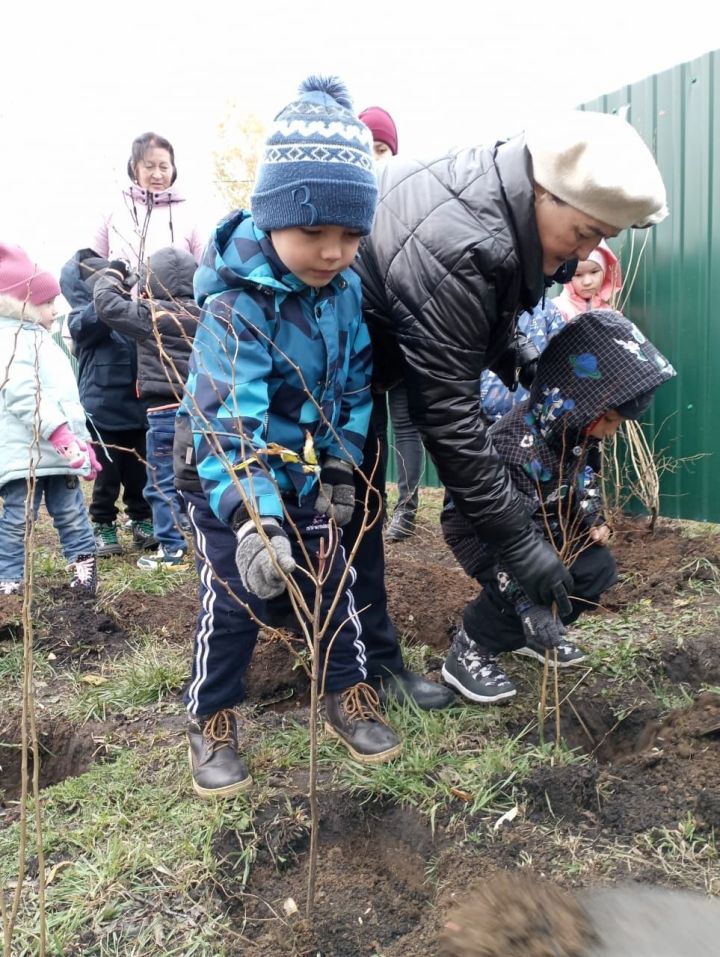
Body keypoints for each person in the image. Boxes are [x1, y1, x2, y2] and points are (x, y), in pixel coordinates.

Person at [350, 109, 668, 693]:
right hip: (330, 377)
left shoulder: (504, 204)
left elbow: (485, 318)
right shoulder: (464, 243)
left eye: (602, 240)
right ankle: (365, 668)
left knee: (356, 512)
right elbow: (449, 418)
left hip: (367, 362)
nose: (583, 255)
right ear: (547, 192)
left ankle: (372, 661)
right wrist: (520, 543)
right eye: (585, 232)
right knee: (353, 512)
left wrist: (521, 360)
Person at [174, 75, 403, 799]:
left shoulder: (343, 298)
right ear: (272, 217)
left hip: (298, 465)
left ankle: (348, 690)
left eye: (350, 235)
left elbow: (351, 386)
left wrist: (339, 465)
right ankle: (210, 717)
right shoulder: (236, 306)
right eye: (314, 232)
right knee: (240, 592)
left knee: (334, 572)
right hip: (223, 472)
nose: (334, 251)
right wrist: (255, 520)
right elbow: (228, 420)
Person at [440, 310, 675, 702]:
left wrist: (593, 520)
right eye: (612, 419)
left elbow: (585, 479)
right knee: (534, 578)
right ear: (579, 402)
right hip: (484, 531)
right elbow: (506, 540)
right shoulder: (514, 449)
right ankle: (471, 648)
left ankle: (532, 637)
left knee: (595, 569)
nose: (612, 430)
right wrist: (527, 603)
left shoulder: (576, 431)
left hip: (539, 523)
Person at [0, 243, 101, 595]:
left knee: (72, 513)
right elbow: (23, 393)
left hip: (61, 452)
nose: (56, 310)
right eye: (46, 302)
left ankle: (84, 575)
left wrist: (82, 444)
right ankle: (9, 583)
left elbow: (66, 400)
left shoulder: (41, 339)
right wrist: (60, 435)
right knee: (17, 519)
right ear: (20, 303)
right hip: (25, 453)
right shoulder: (9, 339)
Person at [93, 247, 200, 569]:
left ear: (149, 284)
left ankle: (172, 549)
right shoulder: (207, 312)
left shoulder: (149, 314)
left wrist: (114, 272)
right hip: (204, 409)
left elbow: (106, 304)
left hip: (165, 410)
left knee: (163, 480)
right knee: (205, 477)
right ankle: (215, 540)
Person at [359, 105, 426, 542]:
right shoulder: (348, 205)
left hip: (402, 328)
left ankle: (407, 508)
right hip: (364, 331)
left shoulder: (410, 203)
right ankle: (373, 507)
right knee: (371, 426)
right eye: (365, 147)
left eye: (381, 147)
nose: (374, 156)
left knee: (406, 424)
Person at [61, 251, 156, 556]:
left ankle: (142, 520)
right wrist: (109, 293)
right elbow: (93, 320)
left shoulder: (131, 312)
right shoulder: (80, 317)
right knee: (107, 476)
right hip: (102, 413)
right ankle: (103, 525)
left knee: (140, 472)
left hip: (137, 409)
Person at [91, 131, 205, 271]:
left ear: (173, 170)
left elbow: (205, 271)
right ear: (134, 169)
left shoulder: (191, 214)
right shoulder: (113, 210)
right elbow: (92, 267)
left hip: (173, 294)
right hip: (118, 293)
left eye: (164, 167)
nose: (157, 175)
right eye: (149, 166)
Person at [480, 300, 565, 422]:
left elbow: (560, 364)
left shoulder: (547, 310)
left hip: (533, 419)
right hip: (483, 419)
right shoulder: (485, 305)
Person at [552, 239, 623, 320]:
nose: (587, 282)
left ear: (605, 272)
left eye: (594, 272)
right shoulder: (557, 310)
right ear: (568, 275)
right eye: (578, 275)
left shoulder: (609, 314)